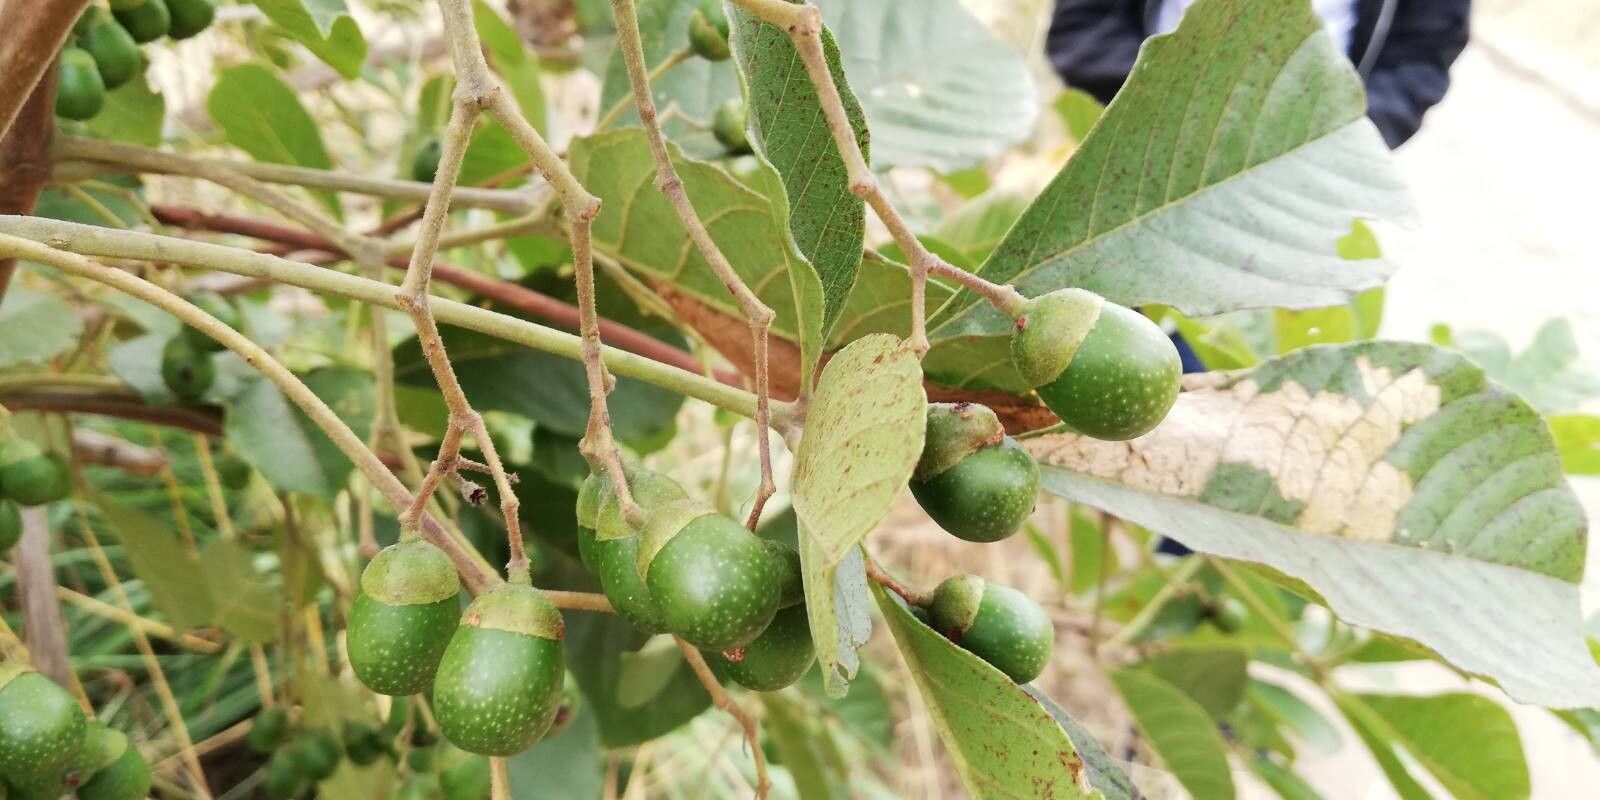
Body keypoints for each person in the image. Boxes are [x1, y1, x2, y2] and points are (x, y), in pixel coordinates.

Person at [1046, 0, 1472, 148]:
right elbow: (1082, 29)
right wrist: (1183, 109)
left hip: (1296, 181)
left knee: (1223, 348)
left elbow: (1419, 64)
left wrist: (1329, 138)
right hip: (1134, 143)